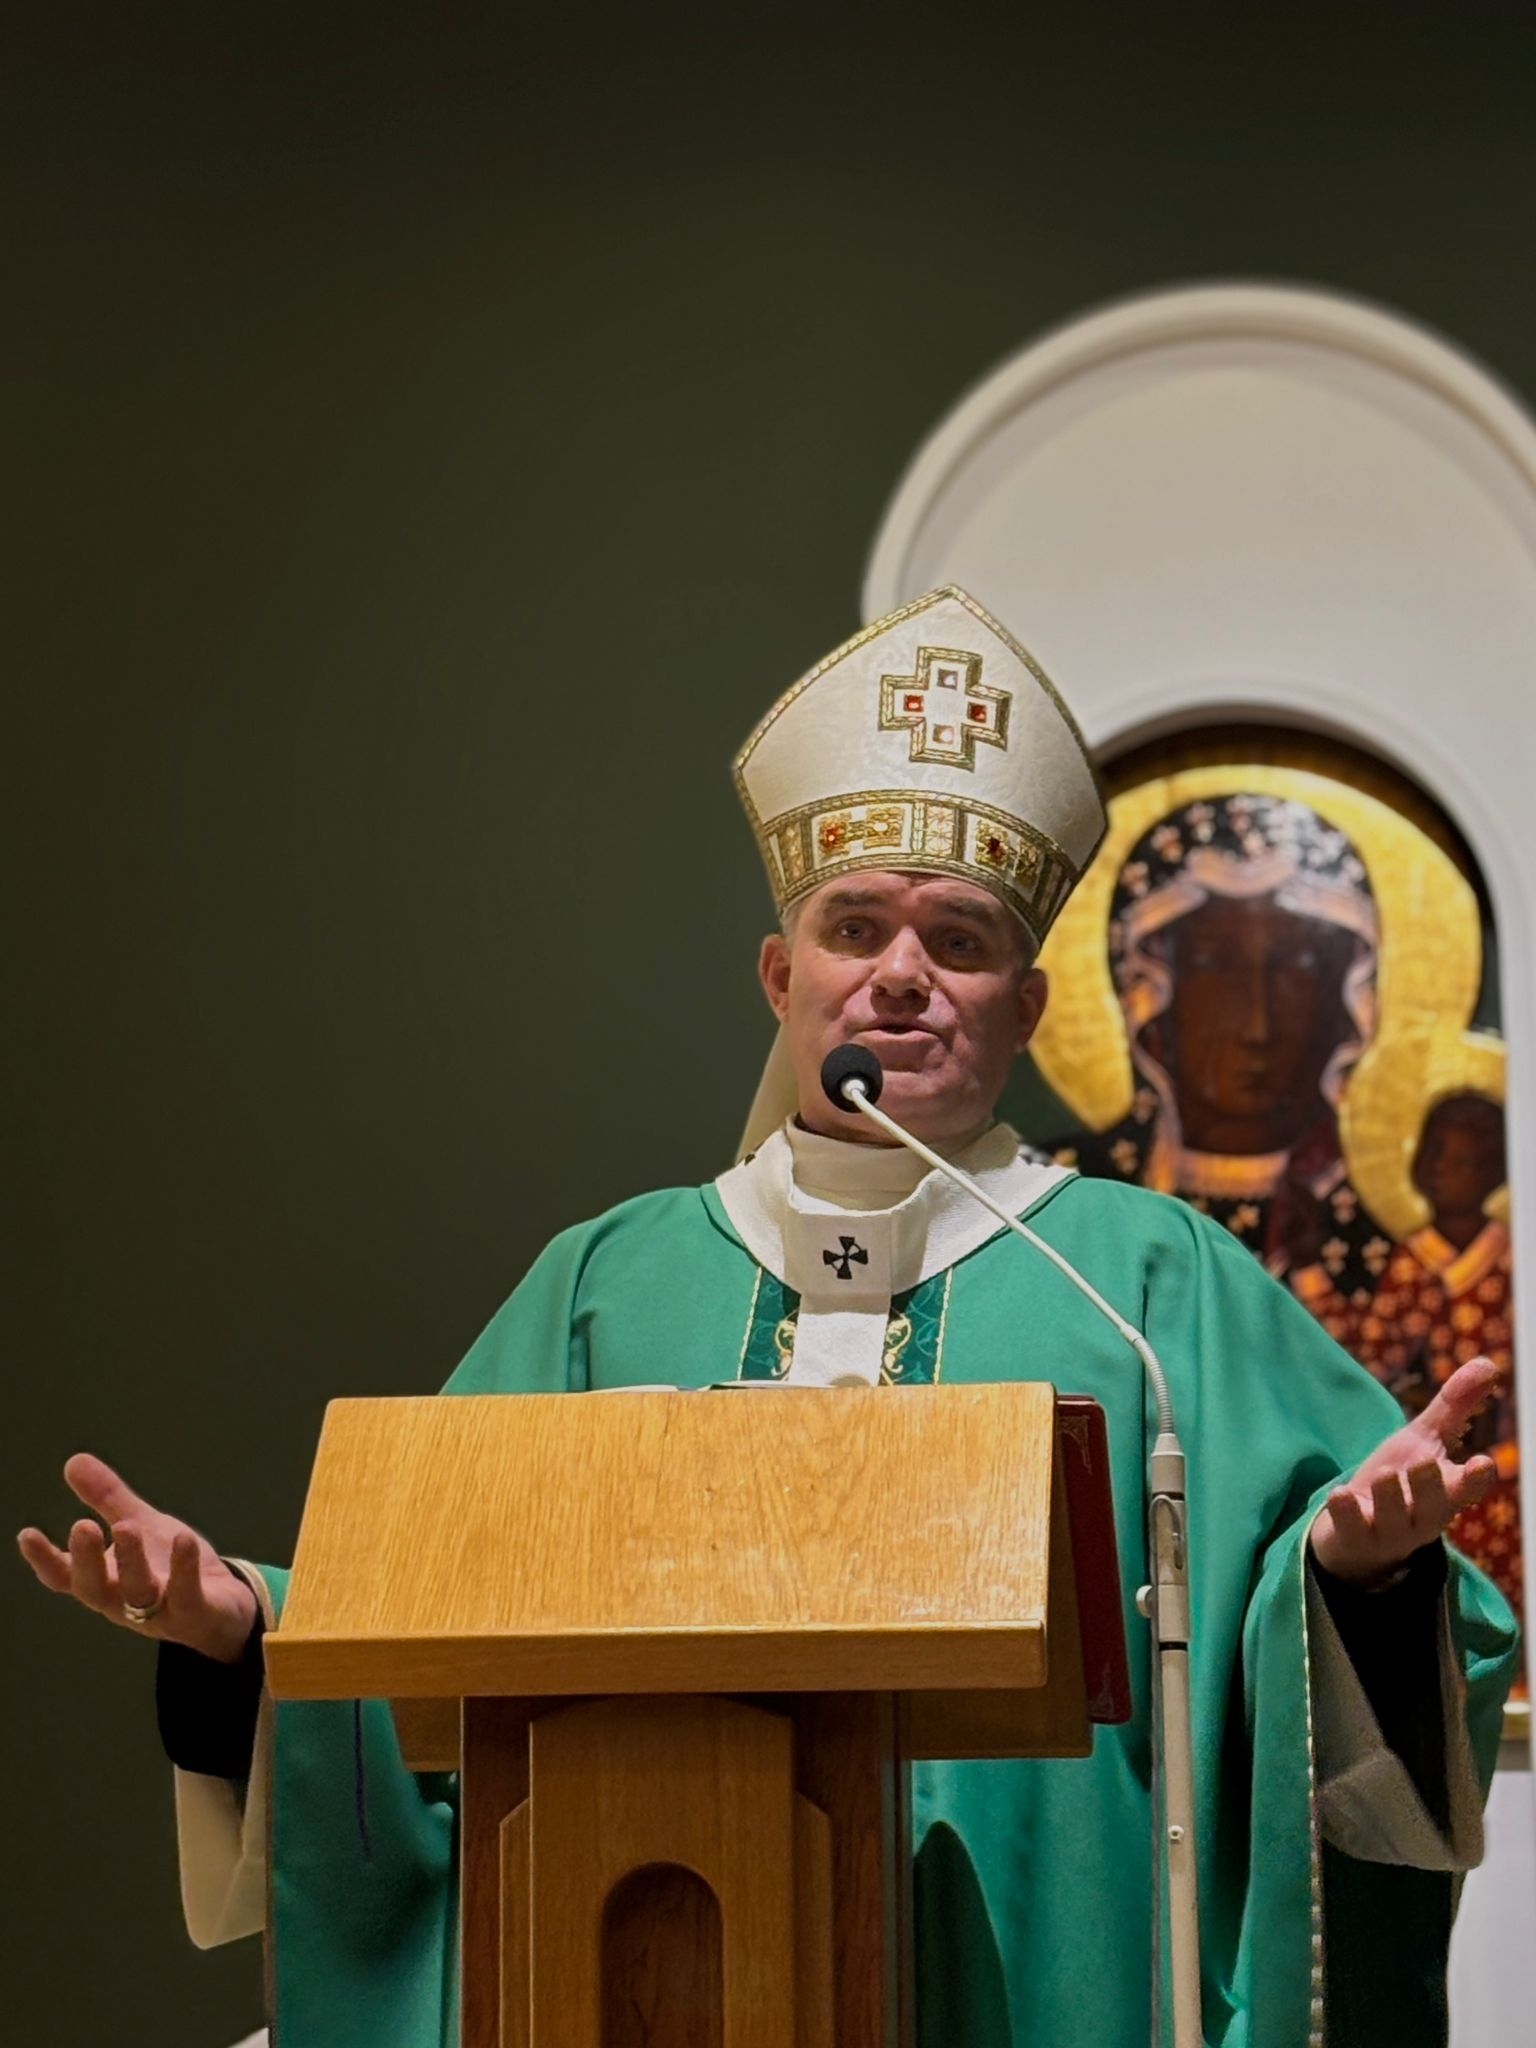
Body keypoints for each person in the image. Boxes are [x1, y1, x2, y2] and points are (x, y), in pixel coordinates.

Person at [19, 586, 1519, 2048]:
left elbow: (1343, 1644)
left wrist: (1355, 1578)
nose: (901, 979)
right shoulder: (607, 1287)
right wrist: (245, 1635)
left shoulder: (1145, 1287)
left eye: (960, 941)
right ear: (780, 977)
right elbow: (412, 1632)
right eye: (856, 929)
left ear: (1027, 1010)